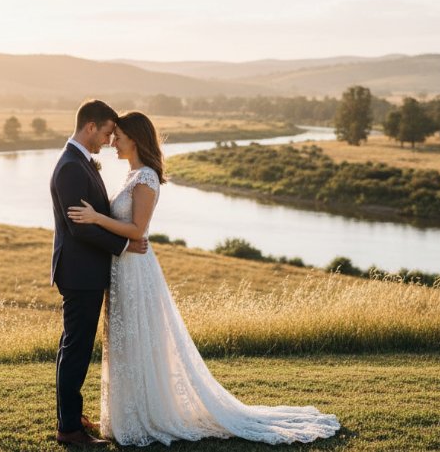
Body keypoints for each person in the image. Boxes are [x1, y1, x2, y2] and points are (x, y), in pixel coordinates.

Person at [68, 111, 341, 446]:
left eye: (119, 137)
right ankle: (126, 415)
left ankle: (148, 415)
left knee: (139, 338)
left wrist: (96, 218)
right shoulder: (132, 174)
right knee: (124, 344)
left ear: (135, 139)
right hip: (122, 266)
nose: (113, 143)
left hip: (136, 268)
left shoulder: (146, 178)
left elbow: (138, 230)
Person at [50, 99, 148, 446]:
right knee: (76, 348)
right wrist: (123, 246)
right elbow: (81, 228)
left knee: (73, 346)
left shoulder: (79, 162)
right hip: (80, 273)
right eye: (107, 132)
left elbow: (93, 217)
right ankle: (69, 430)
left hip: (85, 271)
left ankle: (72, 416)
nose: (109, 141)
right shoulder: (72, 167)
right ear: (90, 126)